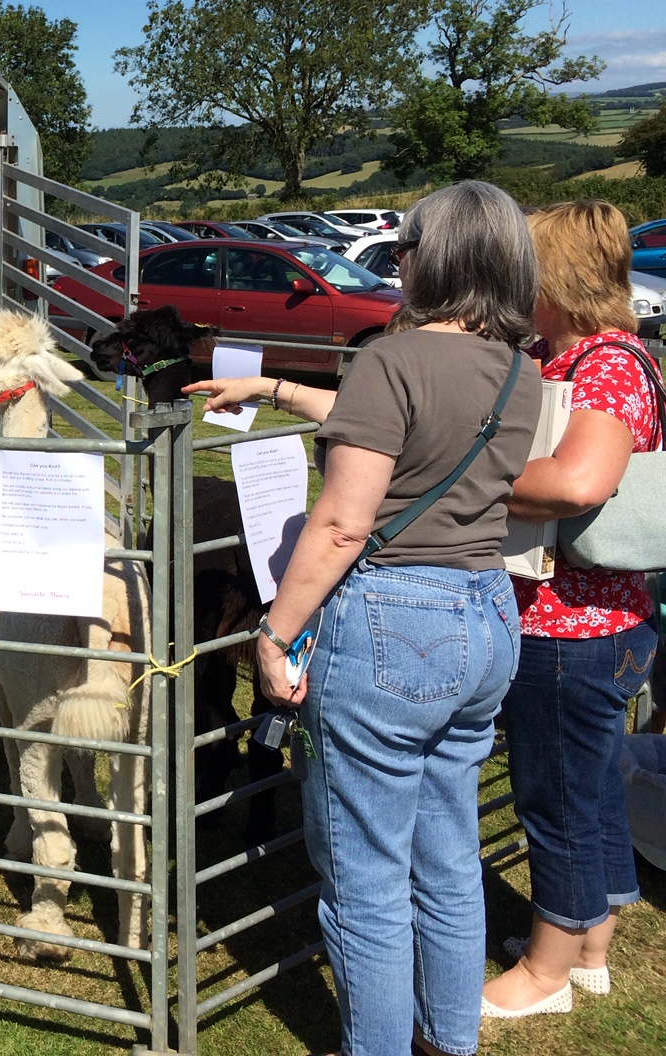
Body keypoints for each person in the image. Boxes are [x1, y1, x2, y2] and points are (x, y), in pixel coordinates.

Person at [188, 180, 542, 1056]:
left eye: (411, 244)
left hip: (393, 622)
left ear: (437, 256)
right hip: (486, 612)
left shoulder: (393, 357)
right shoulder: (517, 372)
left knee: (367, 881)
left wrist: (273, 634)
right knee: (451, 859)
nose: (403, 258)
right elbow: (408, 433)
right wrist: (276, 387)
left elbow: (345, 520)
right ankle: (446, 1042)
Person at [482, 200, 660, 1018]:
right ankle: (590, 944)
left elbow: (579, 484)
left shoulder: (604, 367)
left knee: (552, 799)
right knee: (588, 788)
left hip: (569, 625)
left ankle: (544, 976)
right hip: (596, 621)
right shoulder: (571, 355)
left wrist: (463, 481)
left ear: (555, 279)